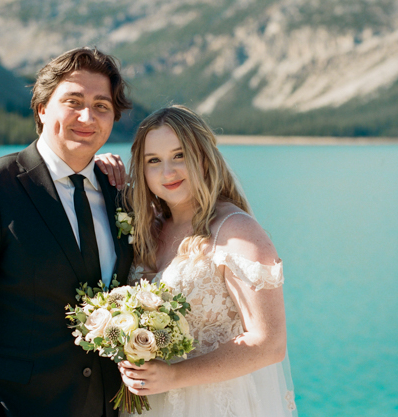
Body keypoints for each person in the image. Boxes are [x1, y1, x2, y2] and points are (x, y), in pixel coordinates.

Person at [0, 47, 133, 417]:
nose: (88, 116)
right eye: (73, 101)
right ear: (42, 108)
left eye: (101, 105)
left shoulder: (117, 192)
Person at [118, 105, 298, 417]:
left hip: (215, 404)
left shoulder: (236, 231)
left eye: (179, 155)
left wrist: (174, 375)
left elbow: (270, 343)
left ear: (202, 158)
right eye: (153, 161)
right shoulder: (151, 229)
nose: (167, 172)